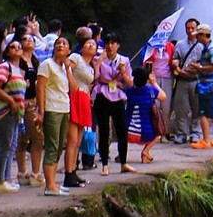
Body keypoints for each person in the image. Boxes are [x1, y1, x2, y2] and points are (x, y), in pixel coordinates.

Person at [93, 31, 134, 175]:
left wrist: (122, 73)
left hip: (118, 97)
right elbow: (96, 78)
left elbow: (129, 83)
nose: (110, 46)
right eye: (107, 43)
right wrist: (99, 61)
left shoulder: (124, 60)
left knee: (122, 130)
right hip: (103, 95)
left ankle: (123, 162)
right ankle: (104, 164)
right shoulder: (98, 59)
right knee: (103, 130)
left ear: (118, 45)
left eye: (113, 43)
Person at [36, 35, 73, 195]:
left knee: (59, 147)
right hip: (51, 108)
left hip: (64, 108)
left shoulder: (65, 68)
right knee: (52, 147)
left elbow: (74, 88)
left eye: (64, 44)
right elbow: (40, 88)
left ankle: (53, 184)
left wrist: (69, 69)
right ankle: (50, 186)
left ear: (69, 50)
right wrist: (41, 111)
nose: (60, 45)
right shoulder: (47, 65)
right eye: (58, 43)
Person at [0, 36, 27, 192]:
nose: (17, 48)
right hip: (6, 111)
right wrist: (11, 101)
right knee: (5, 147)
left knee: (11, 146)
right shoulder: (6, 67)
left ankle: (6, 178)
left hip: (16, 113)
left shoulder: (19, 69)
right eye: (13, 47)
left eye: (19, 46)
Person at [64, 35, 97, 187]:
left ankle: (73, 170)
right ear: (82, 47)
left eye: (93, 44)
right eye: (88, 43)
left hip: (84, 98)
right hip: (74, 95)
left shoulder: (91, 68)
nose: (90, 46)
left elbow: (89, 85)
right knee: (71, 140)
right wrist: (72, 84)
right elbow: (66, 68)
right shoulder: (76, 57)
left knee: (77, 141)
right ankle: (68, 174)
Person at [16, 30, 44, 185]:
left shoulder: (35, 60)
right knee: (22, 138)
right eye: (24, 39)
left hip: (33, 102)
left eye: (31, 39)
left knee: (37, 137)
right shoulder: (18, 60)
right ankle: (22, 172)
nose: (28, 41)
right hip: (22, 102)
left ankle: (35, 172)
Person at [170, 17, 204, 143]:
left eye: (192, 28)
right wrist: (176, 65)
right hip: (182, 80)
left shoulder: (202, 45)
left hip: (196, 80)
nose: (190, 31)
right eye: (187, 28)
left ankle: (195, 133)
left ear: (197, 29)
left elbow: (206, 63)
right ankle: (181, 134)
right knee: (181, 109)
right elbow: (175, 58)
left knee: (197, 108)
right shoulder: (180, 44)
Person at [126, 65, 162, 164]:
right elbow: (163, 96)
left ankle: (122, 153)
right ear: (147, 80)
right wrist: (154, 82)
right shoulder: (150, 90)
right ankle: (145, 152)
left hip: (127, 133)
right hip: (145, 135)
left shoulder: (129, 91)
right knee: (158, 133)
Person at [145, 37, 174, 142]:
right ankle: (154, 132)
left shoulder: (170, 46)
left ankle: (164, 134)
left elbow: (173, 61)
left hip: (167, 78)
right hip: (154, 78)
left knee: (166, 106)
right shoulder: (150, 46)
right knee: (154, 106)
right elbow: (144, 60)